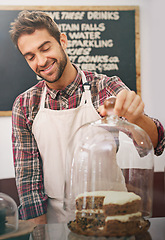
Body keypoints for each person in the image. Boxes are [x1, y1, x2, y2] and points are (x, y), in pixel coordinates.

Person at [10, 10, 165, 225]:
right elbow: (28, 181)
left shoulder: (104, 87)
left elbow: (155, 143)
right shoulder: (26, 105)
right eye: (31, 57)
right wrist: (41, 234)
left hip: (113, 217)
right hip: (57, 222)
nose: (42, 61)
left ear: (62, 41)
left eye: (45, 48)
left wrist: (137, 118)